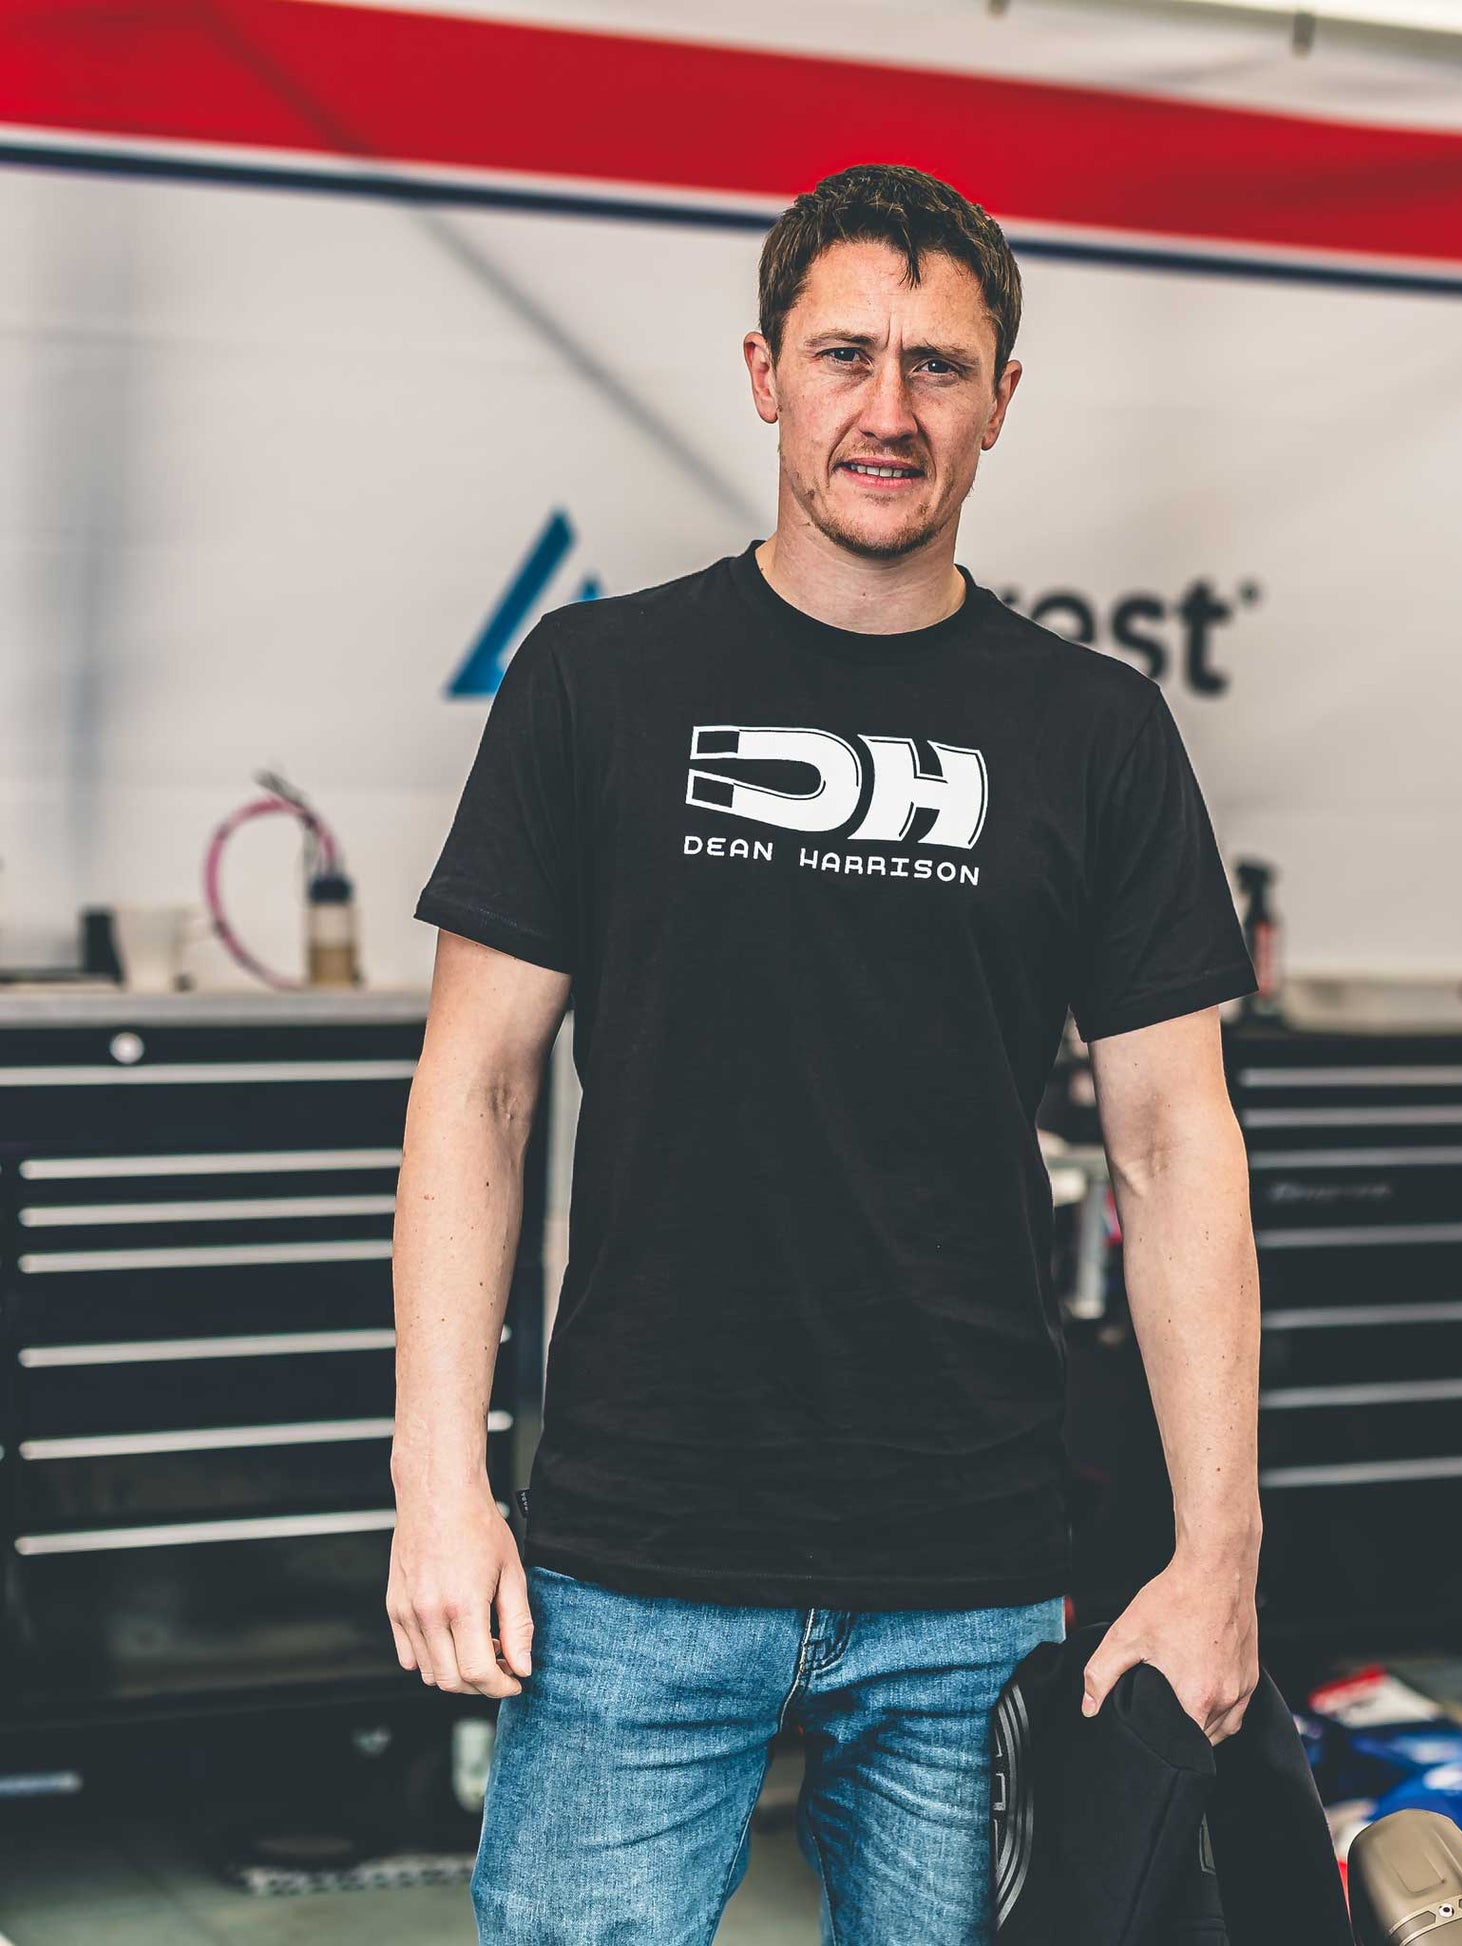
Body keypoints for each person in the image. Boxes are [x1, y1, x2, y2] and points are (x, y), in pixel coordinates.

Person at [391, 162, 1265, 1945]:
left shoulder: (1094, 731)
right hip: (633, 1555)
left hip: (967, 1576)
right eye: (845, 355)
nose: (888, 409)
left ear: (999, 400)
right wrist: (437, 1480)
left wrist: (1217, 1549)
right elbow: (475, 1090)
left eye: (936, 366)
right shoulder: (596, 682)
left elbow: (1176, 1143)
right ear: (764, 374)